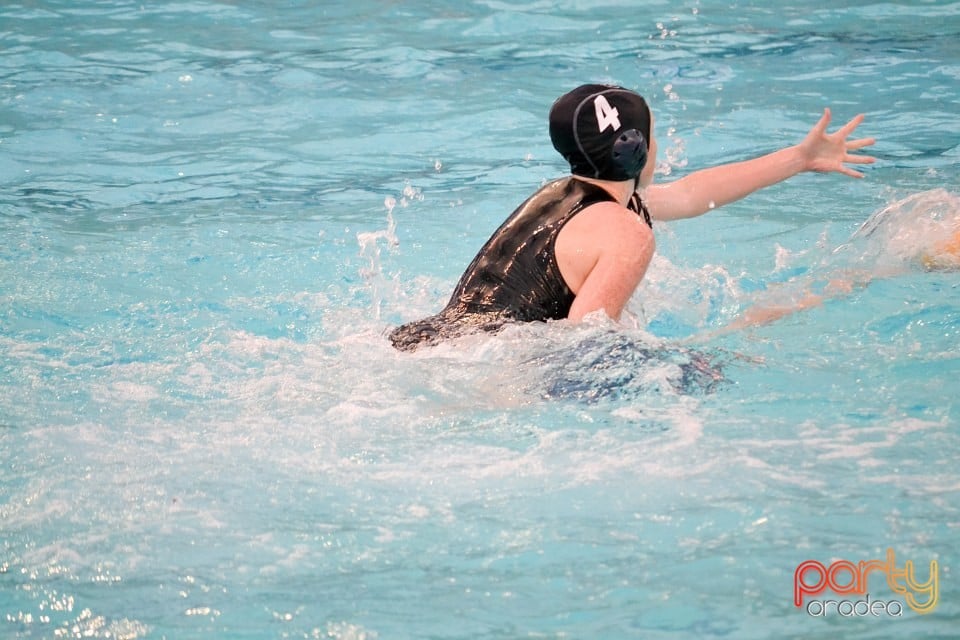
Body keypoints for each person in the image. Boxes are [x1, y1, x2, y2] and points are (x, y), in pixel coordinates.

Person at [389, 83, 876, 351]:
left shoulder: (568, 196)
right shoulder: (626, 234)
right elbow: (584, 342)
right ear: (634, 149)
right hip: (474, 368)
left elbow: (691, 194)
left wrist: (799, 157)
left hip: (425, 344)